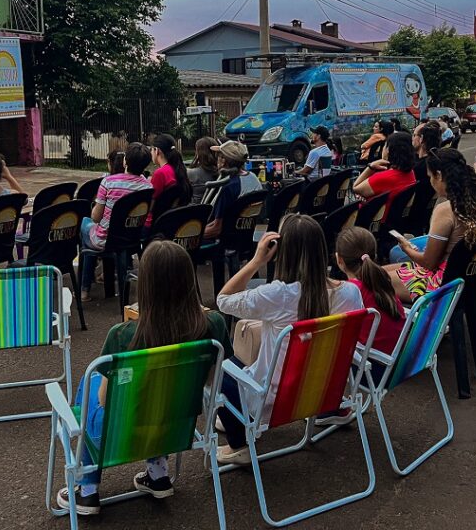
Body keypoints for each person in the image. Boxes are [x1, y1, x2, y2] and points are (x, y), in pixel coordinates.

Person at [57, 240, 234, 516]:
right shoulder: (214, 324)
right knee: (162, 395)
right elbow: (212, 380)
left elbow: (104, 400)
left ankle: (87, 489)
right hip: (176, 423)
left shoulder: (124, 334)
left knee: (91, 384)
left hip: (124, 427)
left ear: (147, 285)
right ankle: (157, 472)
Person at [213, 214, 364, 463]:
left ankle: (239, 445)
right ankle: (237, 416)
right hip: (322, 392)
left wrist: (255, 261)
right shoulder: (350, 293)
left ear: (283, 250)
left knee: (223, 367)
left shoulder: (277, 295)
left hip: (274, 403)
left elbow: (223, 300)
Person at [386, 148, 476, 301]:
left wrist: (406, 248)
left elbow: (429, 263)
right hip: (466, 276)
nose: (431, 182)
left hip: (440, 285)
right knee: (379, 272)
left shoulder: (445, 211)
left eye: (431, 177)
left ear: (439, 176)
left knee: (373, 281)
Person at [79, 142, 153, 301]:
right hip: (131, 239)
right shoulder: (148, 187)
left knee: (85, 223)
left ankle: (84, 288)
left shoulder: (108, 182)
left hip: (105, 240)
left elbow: (95, 217)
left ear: (125, 161)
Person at [335, 227, 406, 369]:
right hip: (396, 359)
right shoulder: (381, 279)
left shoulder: (349, 291)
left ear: (339, 260)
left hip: (370, 367)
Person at [203, 140, 263, 239]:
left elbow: (216, 229)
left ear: (223, 161)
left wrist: (194, 236)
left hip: (226, 242)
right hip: (246, 237)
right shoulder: (253, 177)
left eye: (218, 156)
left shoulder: (228, 187)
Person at [352, 131, 417, 214]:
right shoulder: (410, 173)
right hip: (392, 219)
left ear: (389, 150)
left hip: (372, 220)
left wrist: (370, 167)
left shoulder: (383, 177)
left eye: (385, 145)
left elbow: (356, 188)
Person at [146, 134, 192, 226]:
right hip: (173, 221)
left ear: (157, 151)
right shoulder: (179, 169)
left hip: (155, 224)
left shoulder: (160, 173)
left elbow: (149, 207)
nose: (150, 152)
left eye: (151, 149)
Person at [187, 136, 220, 204]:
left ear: (199, 153)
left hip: (193, 210)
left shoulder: (192, 173)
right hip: (213, 209)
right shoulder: (221, 173)